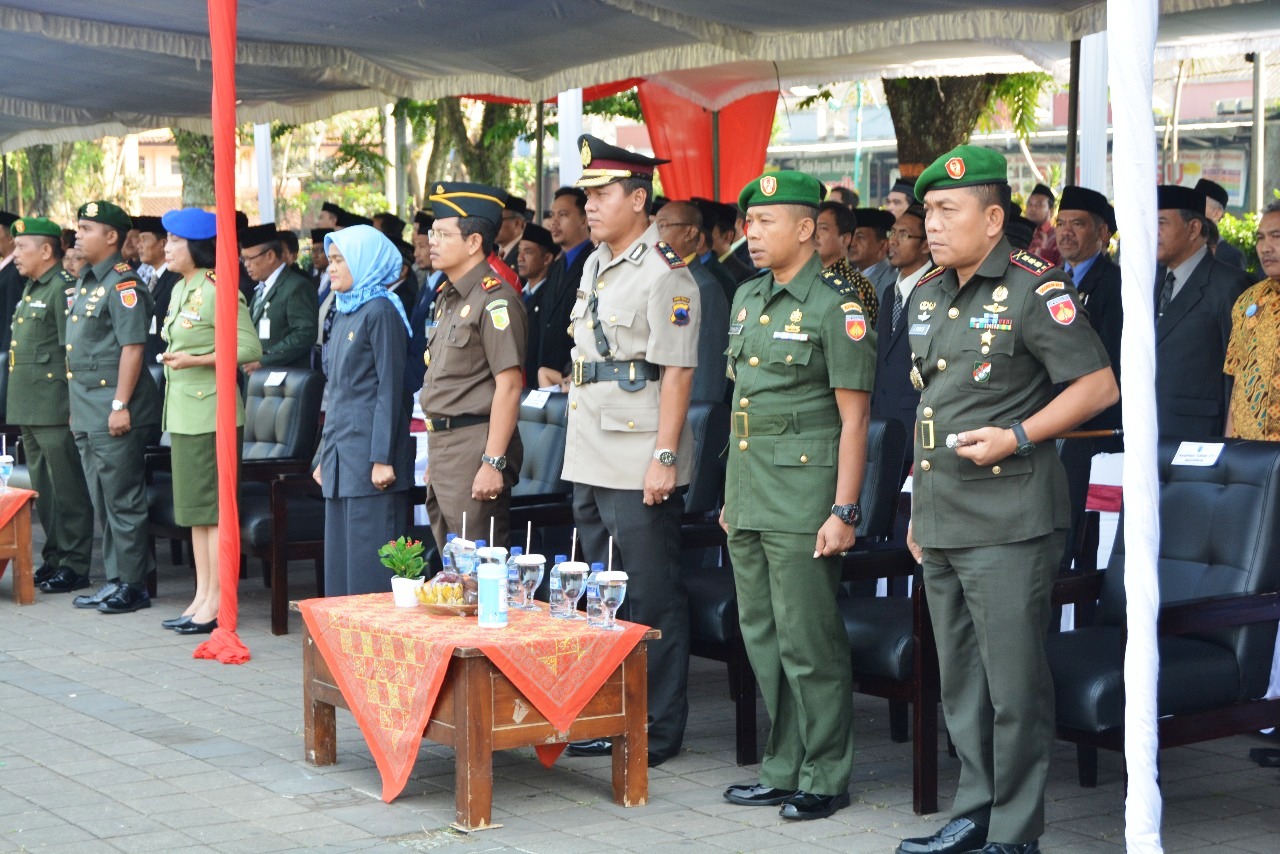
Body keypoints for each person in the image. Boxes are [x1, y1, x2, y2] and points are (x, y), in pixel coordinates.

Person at [897, 146, 1117, 854]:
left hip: (1010, 518)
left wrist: (1019, 435)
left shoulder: (1034, 287)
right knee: (960, 680)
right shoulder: (926, 292)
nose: (930, 224)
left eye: (946, 211)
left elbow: (1096, 386)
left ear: (994, 219)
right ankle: (976, 810)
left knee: (1013, 685)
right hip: (942, 514)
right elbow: (930, 403)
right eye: (926, 210)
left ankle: (1016, 832)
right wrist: (915, 508)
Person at [719, 171, 875, 821]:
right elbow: (742, 405)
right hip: (752, 491)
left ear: (807, 229)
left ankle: (826, 772)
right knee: (762, 636)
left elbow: (855, 419)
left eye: (766, 222)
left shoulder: (837, 305)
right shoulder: (749, 297)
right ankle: (782, 767)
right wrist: (732, 495)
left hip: (805, 495)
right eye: (748, 223)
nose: (751, 234)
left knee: (809, 642)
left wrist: (843, 509)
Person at [561, 134, 698, 768]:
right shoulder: (595, 262)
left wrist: (664, 457)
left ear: (638, 199)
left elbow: (676, 373)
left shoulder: (667, 272)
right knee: (601, 594)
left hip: (638, 448)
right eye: (586, 194)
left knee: (648, 594)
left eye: (602, 193)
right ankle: (612, 713)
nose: (590, 205)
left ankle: (656, 728)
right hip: (590, 445)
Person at [155, 208, 261, 634]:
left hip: (211, 412)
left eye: (173, 241)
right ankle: (202, 594)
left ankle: (218, 601)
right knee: (197, 513)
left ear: (195, 246)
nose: (166, 248)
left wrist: (195, 359)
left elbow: (249, 348)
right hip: (184, 412)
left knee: (215, 512)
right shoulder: (183, 288)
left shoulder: (220, 287)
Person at [66, 201, 164, 614]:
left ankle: (135, 584)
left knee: (123, 498)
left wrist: (120, 403)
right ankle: (116, 578)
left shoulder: (124, 284)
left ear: (111, 236)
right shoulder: (89, 281)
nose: (77, 235)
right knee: (102, 498)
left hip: (114, 408)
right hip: (88, 409)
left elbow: (133, 348)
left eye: (86, 228)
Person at [420, 182, 527, 556]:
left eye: (442, 234)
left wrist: (493, 462)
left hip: (474, 447)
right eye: (432, 233)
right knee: (454, 572)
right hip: (445, 448)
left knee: (482, 573)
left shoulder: (494, 298)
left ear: (473, 242)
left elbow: (510, 385)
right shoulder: (448, 297)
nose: (431, 240)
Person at [313, 225, 414, 596]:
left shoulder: (381, 311)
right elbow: (336, 392)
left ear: (363, 261)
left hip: (372, 461)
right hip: (342, 457)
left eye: (340, 260)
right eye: (331, 260)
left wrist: (382, 457)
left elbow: (390, 389)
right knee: (340, 569)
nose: (331, 268)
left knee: (369, 571)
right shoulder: (344, 310)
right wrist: (323, 456)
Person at [6, 218, 94, 594]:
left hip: (55, 404)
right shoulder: (31, 288)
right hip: (28, 403)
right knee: (45, 489)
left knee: (67, 488)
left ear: (45, 251)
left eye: (21, 247)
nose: (15, 255)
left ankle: (75, 564)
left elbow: (72, 351)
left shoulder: (62, 289)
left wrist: (74, 404)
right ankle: (55, 558)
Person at [1054, 186, 1124, 570]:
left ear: (1102, 234)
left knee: (1078, 536)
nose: (1065, 232)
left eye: (1077, 224)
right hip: (1050, 428)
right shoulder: (1048, 281)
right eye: (1061, 223)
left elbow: (1112, 360)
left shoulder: (1113, 285)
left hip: (1090, 432)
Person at [1155, 184, 1249, 439]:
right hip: (1149, 432)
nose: (1153, 232)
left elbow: (1238, 374)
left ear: (1194, 228)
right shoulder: (1151, 281)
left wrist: (1230, 443)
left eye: (1162, 223)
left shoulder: (1229, 285)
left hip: (1200, 440)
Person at [871, 204, 931, 469]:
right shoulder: (888, 293)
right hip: (881, 423)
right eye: (893, 232)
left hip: (915, 427)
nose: (893, 241)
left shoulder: (936, 289)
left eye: (904, 234)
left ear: (926, 244)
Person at [653, 201, 729, 402]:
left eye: (662, 225)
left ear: (690, 232)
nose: (655, 234)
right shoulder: (658, 278)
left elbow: (708, 367)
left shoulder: (704, 287)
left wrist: (696, 423)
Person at [1224, 200, 1280, 440]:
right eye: (1260, 238)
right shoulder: (1248, 300)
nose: (1265, 247)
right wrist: (1229, 449)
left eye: (1276, 236)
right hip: (1248, 456)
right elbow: (1238, 380)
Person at [239, 223, 319, 371]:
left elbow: (304, 333)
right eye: (244, 259)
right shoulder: (261, 288)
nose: (246, 265)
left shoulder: (296, 286)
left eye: (250, 258)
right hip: (258, 380)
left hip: (282, 381)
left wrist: (265, 359)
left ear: (270, 256)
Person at [535, 187, 594, 387]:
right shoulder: (556, 267)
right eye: (552, 215)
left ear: (584, 220)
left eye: (563, 215)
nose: (554, 222)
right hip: (548, 379)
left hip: (575, 381)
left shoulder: (594, 264)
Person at [815, 201, 880, 326]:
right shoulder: (804, 276)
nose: (815, 235)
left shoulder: (857, 284)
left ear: (845, 239)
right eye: (813, 227)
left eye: (823, 228)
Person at [516, 222, 561, 385]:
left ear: (547, 258)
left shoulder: (549, 298)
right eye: (519, 251)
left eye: (528, 252)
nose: (520, 258)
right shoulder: (519, 294)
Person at [134, 215, 181, 362]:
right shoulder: (150, 277)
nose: (138, 245)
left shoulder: (176, 278)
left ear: (163, 244)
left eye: (144, 239)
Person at [1195, 177, 1248, 271]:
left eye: (1199, 204)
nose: (1192, 209)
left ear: (1217, 213)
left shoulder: (1231, 256)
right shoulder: (1180, 247)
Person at [851, 208, 897, 300]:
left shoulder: (894, 281)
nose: (852, 243)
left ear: (884, 245)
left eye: (860, 237)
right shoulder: (846, 277)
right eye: (851, 236)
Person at [1023, 183, 1061, 265]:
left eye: (1039, 205)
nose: (1032, 208)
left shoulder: (1057, 238)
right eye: (1030, 204)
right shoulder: (1022, 233)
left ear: (1051, 211)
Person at [497, 196, 528, 273]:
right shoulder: (493, 253)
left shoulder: (527, 254)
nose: (494, 225)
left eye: (499, 220)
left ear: (517, 223)